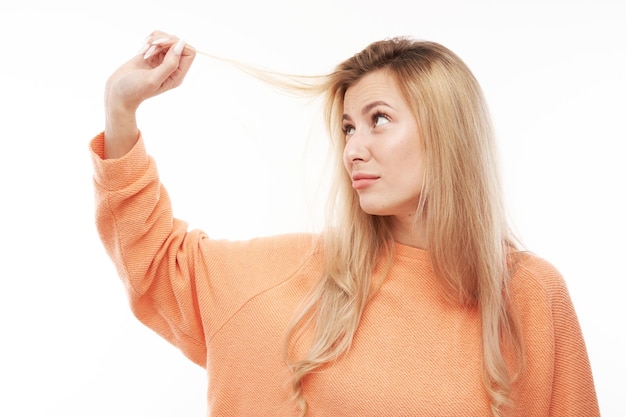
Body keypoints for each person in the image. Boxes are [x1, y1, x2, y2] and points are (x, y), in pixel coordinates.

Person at [90, 30, 600, 416]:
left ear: (448, 131)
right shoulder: (287, 274)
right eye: (348, 127)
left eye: (378, 119)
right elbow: (156, 263)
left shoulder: (529, 294)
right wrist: (120, 108)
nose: (353, 149)